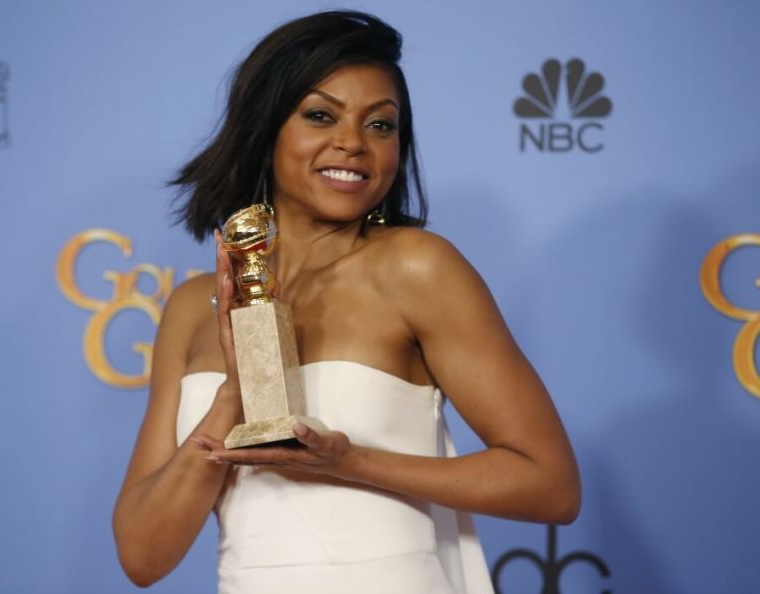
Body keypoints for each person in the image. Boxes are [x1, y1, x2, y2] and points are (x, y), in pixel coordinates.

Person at [113, 10, 580, 594]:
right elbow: (142, 555)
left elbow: (550, 486)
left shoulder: (418, 268)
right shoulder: (192, 307)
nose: (353, 143)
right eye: (320, 116)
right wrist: (236, 393)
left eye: (381, 125)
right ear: (264, 130)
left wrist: (348, 462)